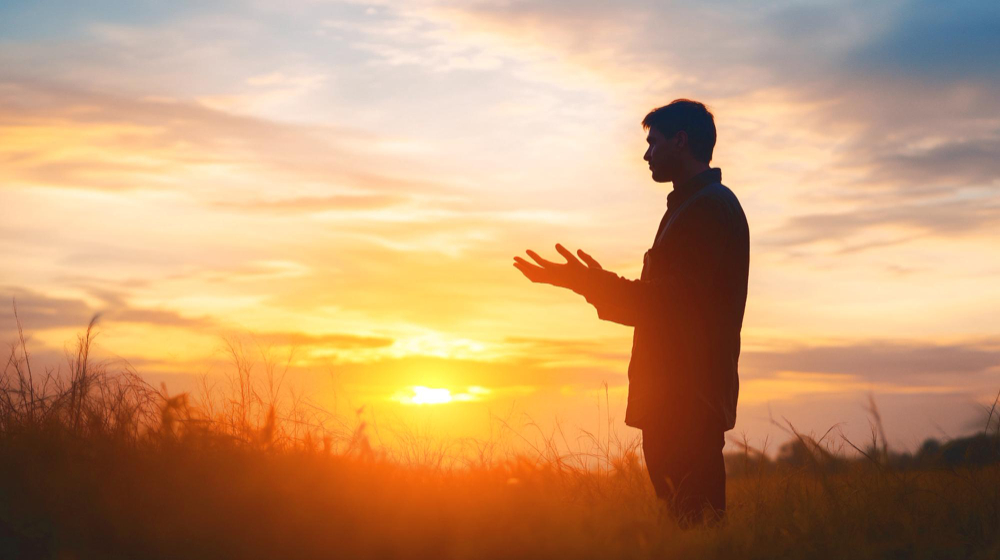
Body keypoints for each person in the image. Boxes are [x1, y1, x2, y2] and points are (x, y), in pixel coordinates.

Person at [512, 99, 749, 524]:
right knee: (687, 525)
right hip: (679, 397)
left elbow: (667, 305)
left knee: (696, 526)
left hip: (686, 399)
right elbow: (667, 300)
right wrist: (589, 282)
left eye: (652, 142)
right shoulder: (692, 207)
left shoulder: (708, 208)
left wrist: (585, 282)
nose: (646, 154)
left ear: (680, 141)